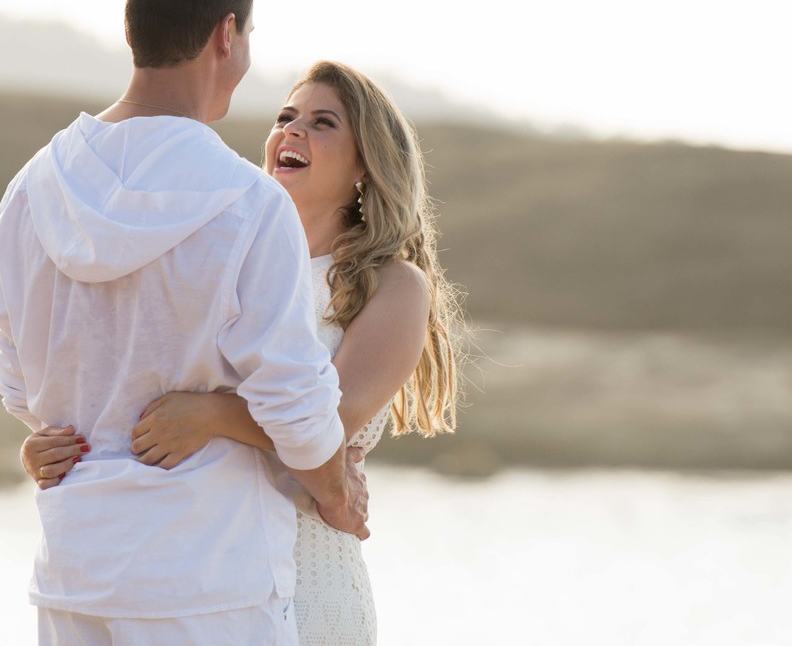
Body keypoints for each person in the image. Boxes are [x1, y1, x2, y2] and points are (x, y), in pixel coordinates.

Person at [0, 0, 367, 645]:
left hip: (73, 574)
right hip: (208, 582)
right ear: (226, 34)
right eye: (249, 36)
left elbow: (17, 386)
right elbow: (294, 399)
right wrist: (335, 496)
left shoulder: (29, 191)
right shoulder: (248, 202)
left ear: (133, 28)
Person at [22, 60, 463, 645]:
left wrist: (209, 416)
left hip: (308, 582)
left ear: (366, 165)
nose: (292, 131)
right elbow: (138, 378)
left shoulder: (392, 286)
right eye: (286, 117)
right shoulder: (219, 249)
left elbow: (326, 424)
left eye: (322, 122)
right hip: (193, 577)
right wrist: (53, 443)